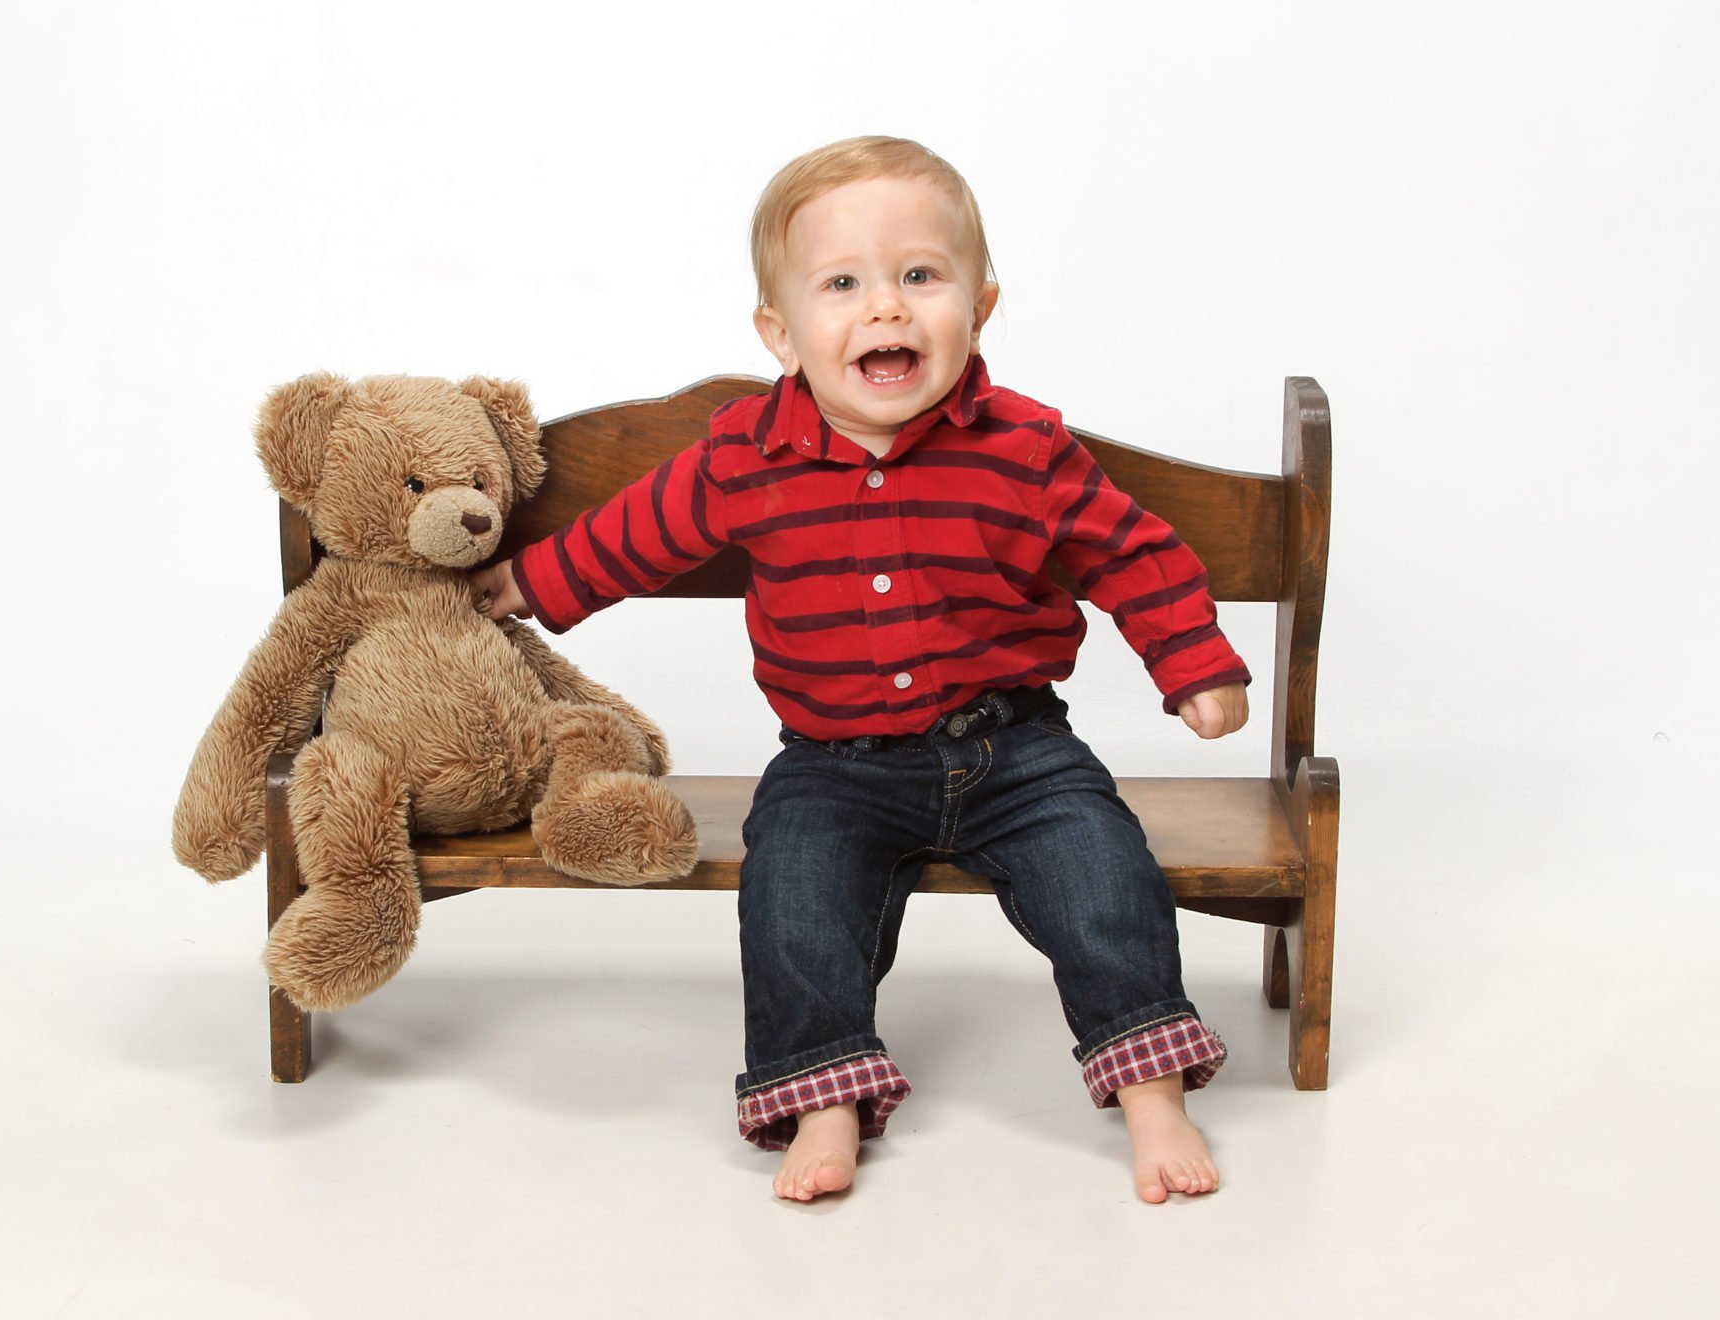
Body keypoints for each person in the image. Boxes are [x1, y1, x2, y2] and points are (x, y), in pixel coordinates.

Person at [474, 136, 1250, 1205]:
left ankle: (1152, 1088)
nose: (885, 308)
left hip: (1015, 747)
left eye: (919, 277)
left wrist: (1194, 662)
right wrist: (524, 584)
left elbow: (1134, 551)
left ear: (978, 309)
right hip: (832, 764)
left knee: (1104, 880)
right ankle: (823, 1094)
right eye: (843, 285)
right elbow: (632, 534)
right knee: (793, 899)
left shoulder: (1023, 450)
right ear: (781, 333)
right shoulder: (744, 456)